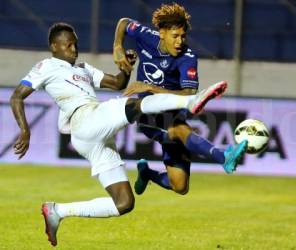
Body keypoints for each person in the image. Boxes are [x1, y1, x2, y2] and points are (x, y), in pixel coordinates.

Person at [10, 22, 224, 246]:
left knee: (124, 203)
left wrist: (126, 67)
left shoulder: (83, 68)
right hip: (84, 119)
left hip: (94, 137)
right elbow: (17, 97)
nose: (74, 49)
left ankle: (57, 211)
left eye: (75, 44)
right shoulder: (46, 66)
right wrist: (25, 130)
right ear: (54, 47)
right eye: (68, 45)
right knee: (134, 105)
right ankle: (190, 100)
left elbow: (117, 83)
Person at [113, 3, 248, 195]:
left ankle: (148, 174)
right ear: (162, 33)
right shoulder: (146, 36)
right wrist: (117, 46)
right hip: (147, 114)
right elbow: (124, 23)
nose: (179, 42)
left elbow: (189, 95)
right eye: (175, 36)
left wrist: (150, 86)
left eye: (183, 36)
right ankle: (223, 157)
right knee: (178, 129)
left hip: (173, 113)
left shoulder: (188, 57)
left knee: (180, 186)